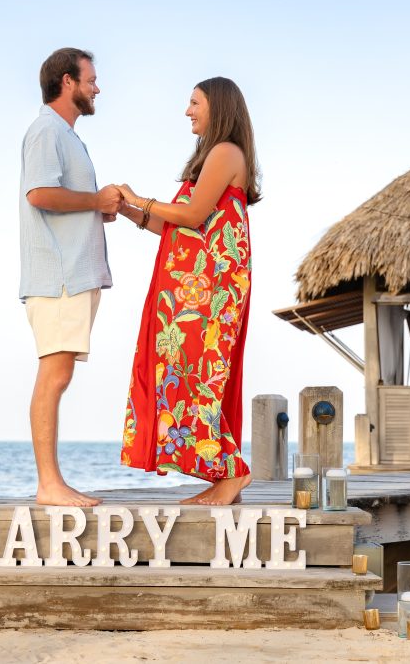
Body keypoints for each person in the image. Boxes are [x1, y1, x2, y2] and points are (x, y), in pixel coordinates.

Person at [118, 77, 261, 506]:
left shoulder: (225, 151)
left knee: (203, 377)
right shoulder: (212, 157)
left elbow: (194, 213)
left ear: (217, 107)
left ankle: (234, 472)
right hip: (192, 291)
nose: (187, 111)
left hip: (210, 289)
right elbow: (176, 223)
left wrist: (140, 198)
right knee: (187, 374)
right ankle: (223, 473)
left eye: (194, 102)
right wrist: (128, 210)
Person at [19, 48, 121, 506]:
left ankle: (51, 484)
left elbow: (68, 201)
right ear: (67, 82)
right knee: (54, 376)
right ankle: (49, 486)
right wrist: (93, 202)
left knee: (58, 376)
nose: (97, 88)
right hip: (58, 276)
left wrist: (99, 210)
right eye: (91, 79)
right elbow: (39, 194)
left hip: (72, 276)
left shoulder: (65, 134)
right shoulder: (46, 130)